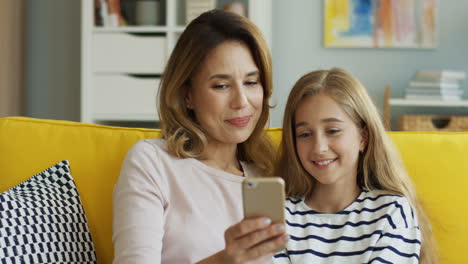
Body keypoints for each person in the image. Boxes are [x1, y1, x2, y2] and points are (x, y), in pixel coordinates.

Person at [112, 9, 288, 264]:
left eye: (251, 82)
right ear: (187, 95)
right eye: (221, 85)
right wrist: (223, 260)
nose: (242, 101)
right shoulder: (152, 163)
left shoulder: (269, 172)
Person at [273, 68, 437, 263]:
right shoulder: (279, 217)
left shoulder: (391, 211)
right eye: (305, 134)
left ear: (363, 137)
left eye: (333, 130)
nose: (319, 148)